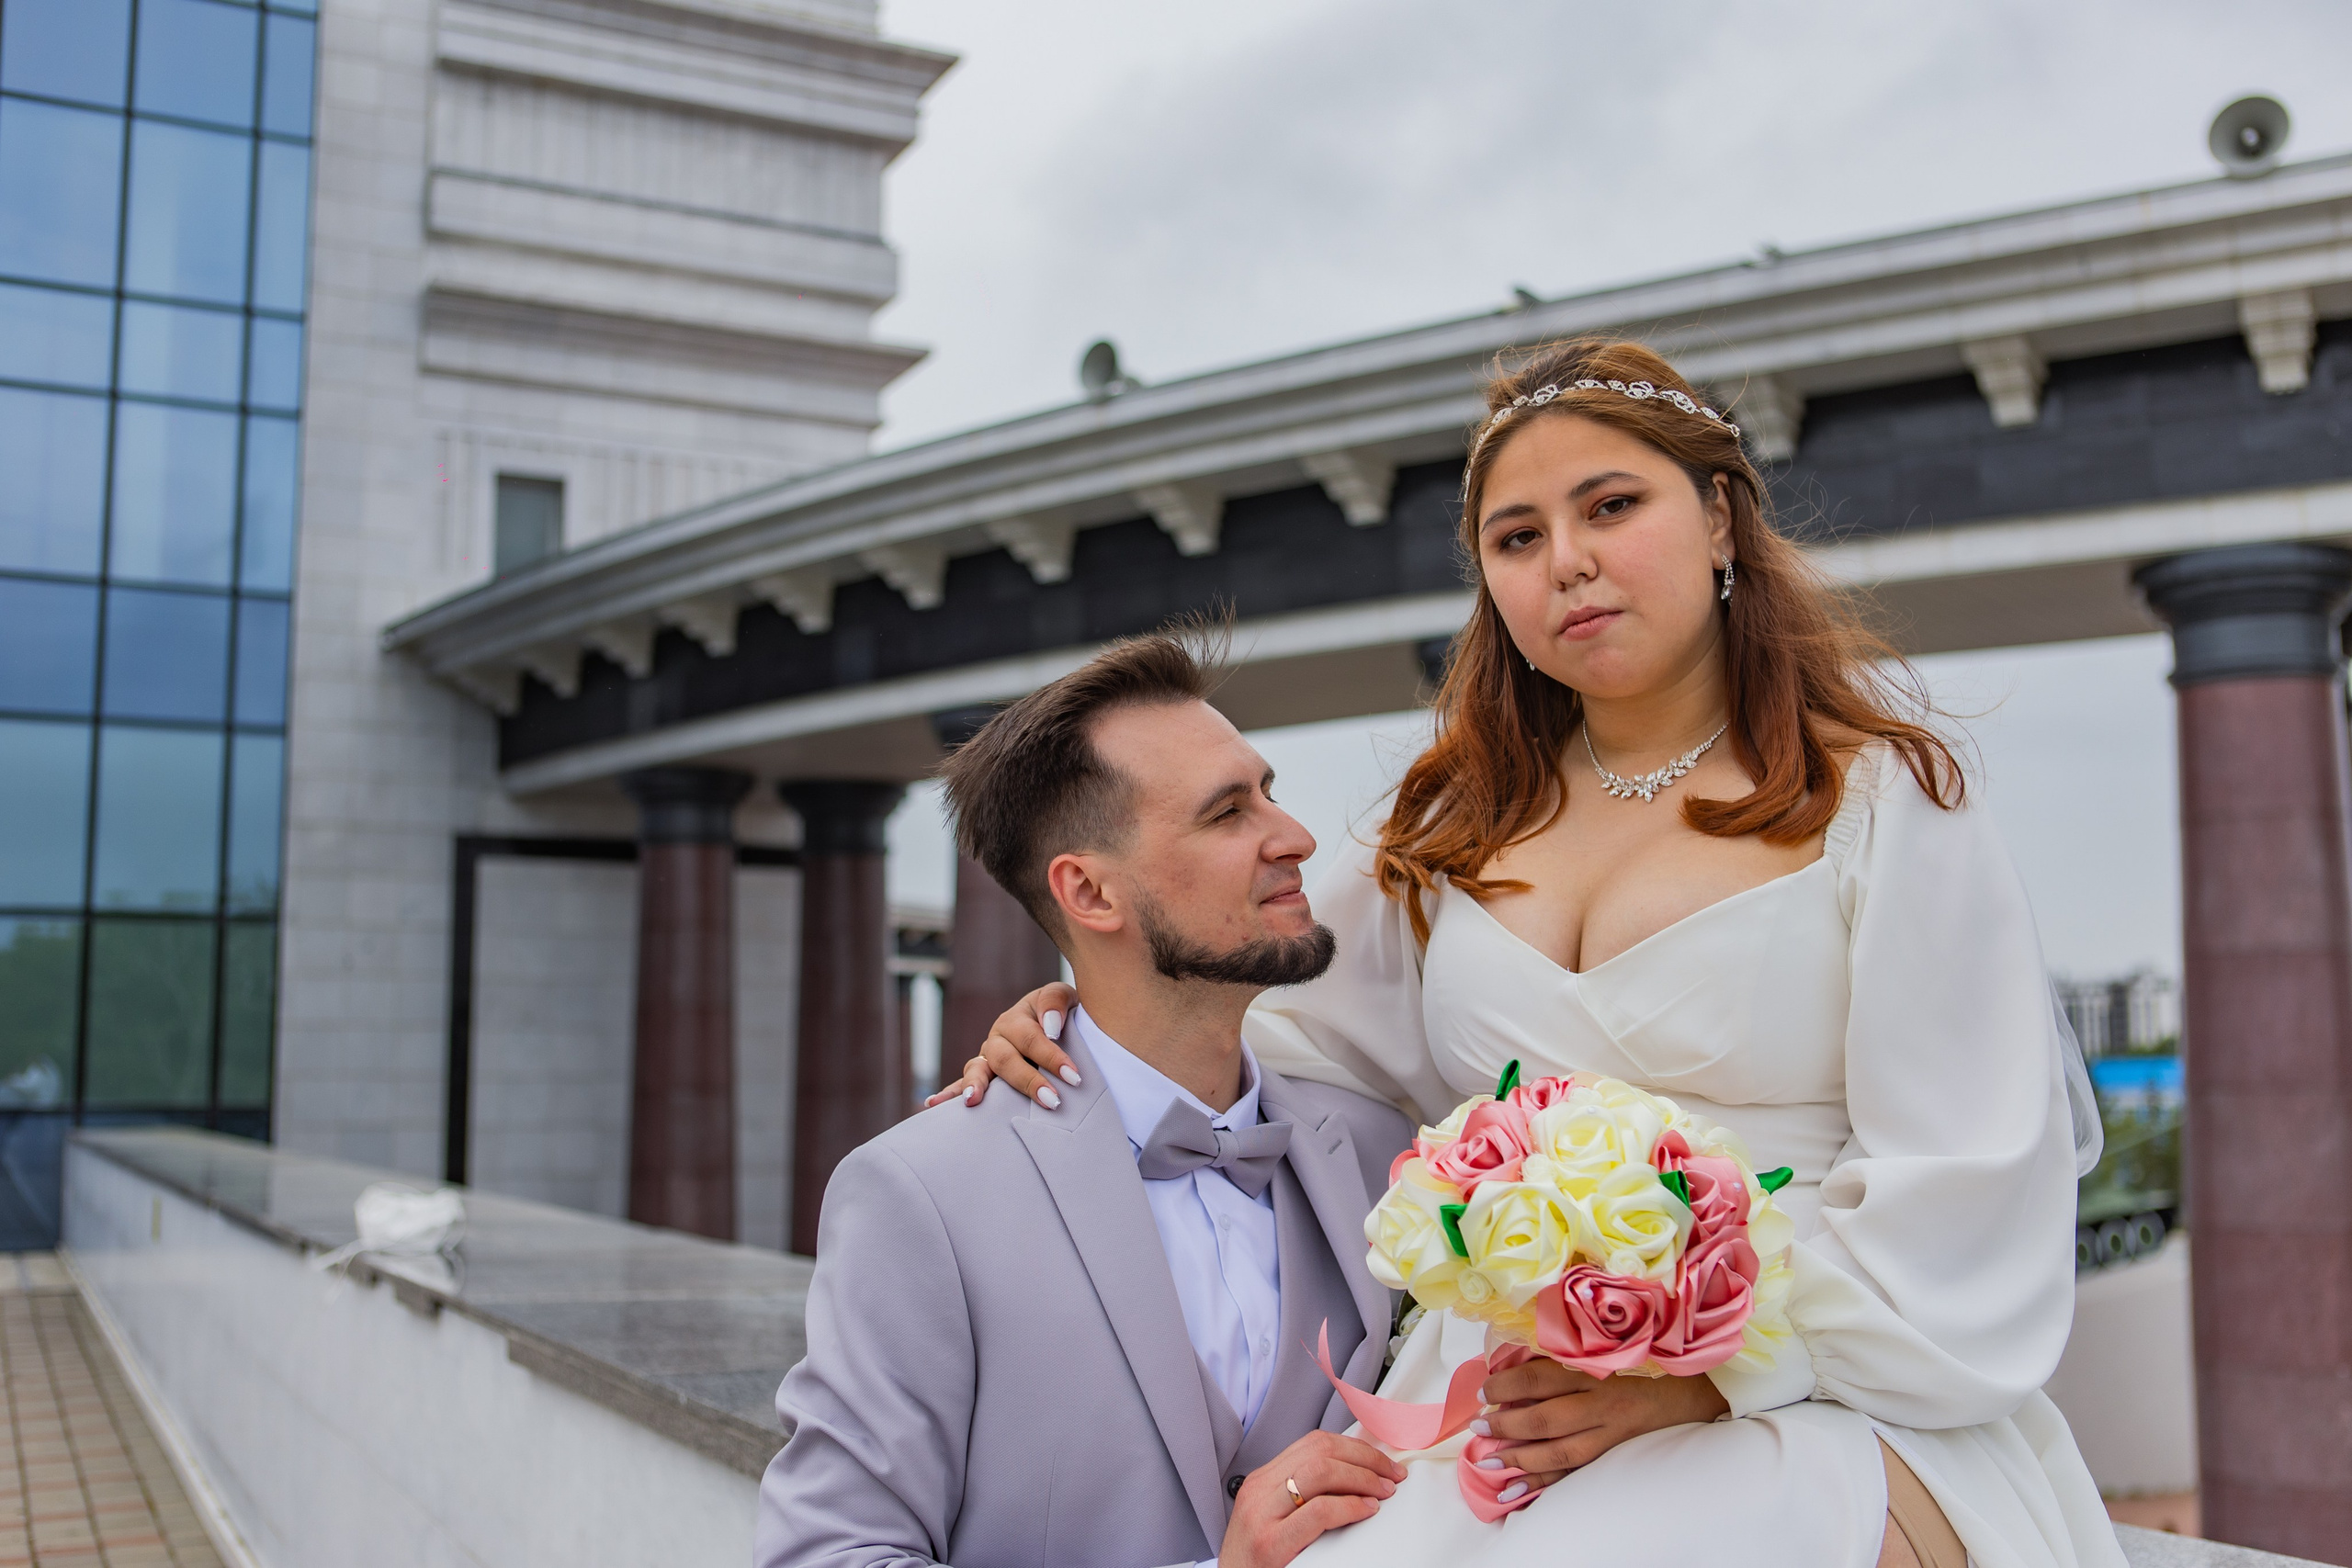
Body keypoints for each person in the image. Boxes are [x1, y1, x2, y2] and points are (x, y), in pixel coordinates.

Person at [933, 338, 2125, 1568]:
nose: (1568, 561)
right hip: (1508, 1404)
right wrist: (1081, 1016)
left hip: (1826, 1391)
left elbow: (1973, 1178)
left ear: (1719, 518)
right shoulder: (1452, 819)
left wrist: (1715, 1372)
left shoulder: (1880, 799)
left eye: (1612, 505)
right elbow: (1266, 1027)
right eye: (1516, 537)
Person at [755, 632, 1419, 1568]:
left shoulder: (1387, 1149)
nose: (1294, 837)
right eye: (1228, 812)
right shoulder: (921, 1196)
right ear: (1088, 892)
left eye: (1267, 790)